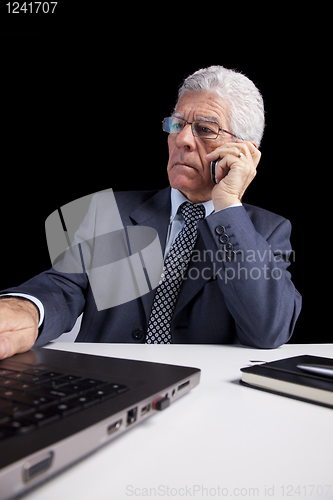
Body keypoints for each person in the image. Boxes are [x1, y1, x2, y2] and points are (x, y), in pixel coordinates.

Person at [0, 65, 302, 358]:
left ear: (244, 152)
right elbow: (63, 287)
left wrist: (228, 204)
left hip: (207, 397)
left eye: (205, 129)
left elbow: (268, 330)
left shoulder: (266, 231)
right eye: (177, 124)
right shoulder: (110, 211)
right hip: (106, 387)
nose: (182, 140)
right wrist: (22, 310)